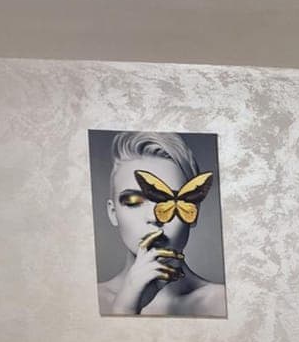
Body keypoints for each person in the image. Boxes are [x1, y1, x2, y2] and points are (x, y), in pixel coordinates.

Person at [96, 131, 226, 317]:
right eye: (133, 201)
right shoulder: (85, 302)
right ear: (113, 212)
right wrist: (123, 310)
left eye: (172, 200)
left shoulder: (222, 303)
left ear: (193, 212)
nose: (154, 216)